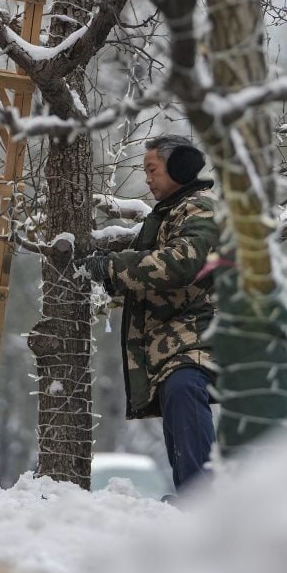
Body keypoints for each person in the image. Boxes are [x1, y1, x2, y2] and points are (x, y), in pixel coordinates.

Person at [79, 134, 219, 492]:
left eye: (152, 169)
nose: (147, 178)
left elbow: (182, 262)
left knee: (185, 387)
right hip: (179, 341)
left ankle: (199, 498)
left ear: (179, 167)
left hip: (200, 336)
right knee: (177, 392)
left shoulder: (200, 208)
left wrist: (112, 268)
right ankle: (191, 493)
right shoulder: (173, 212)